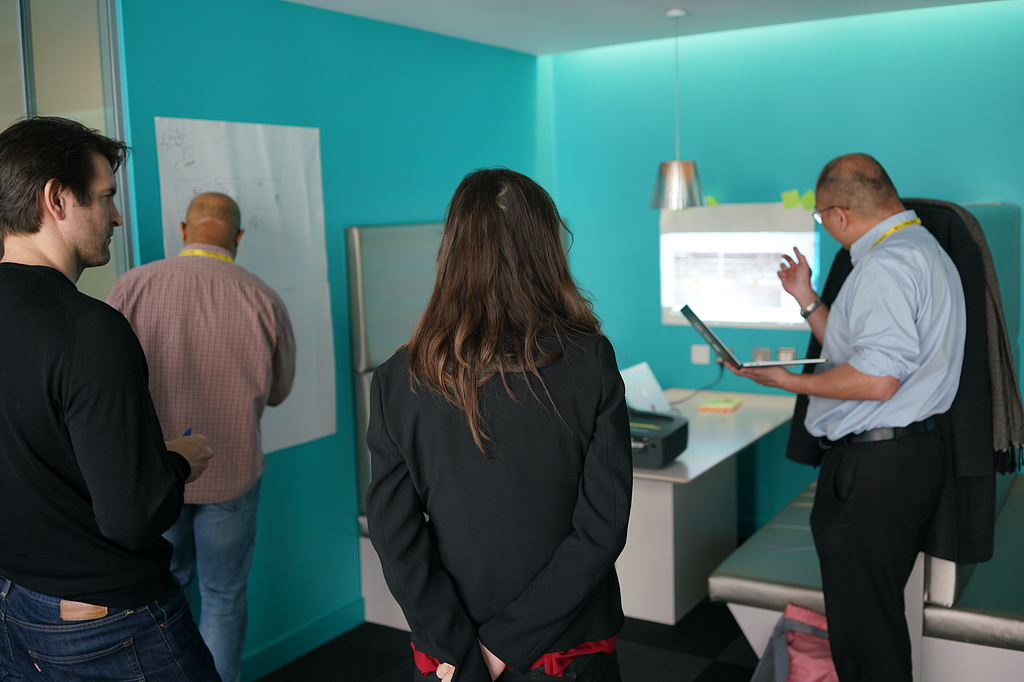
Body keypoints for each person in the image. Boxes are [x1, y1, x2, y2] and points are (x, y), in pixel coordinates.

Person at [365, 168, 632, 682]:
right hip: (566, 647)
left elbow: (393, 534)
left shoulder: (398, 378)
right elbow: (602, 527)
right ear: (546, 249)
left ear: (452, 250)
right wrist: (505, 644)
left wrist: (463, 649)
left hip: (452, 655)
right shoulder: (590, 359)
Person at [728, 154, 967, 681]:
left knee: (864, 634)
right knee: (872, 619)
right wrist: (807, 298)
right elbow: (860, 348)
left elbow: (878, 379)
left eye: (819, 218)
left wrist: (789, 381)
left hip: (876, 467)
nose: (824, 227)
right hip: (905, 459)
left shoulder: (885, 266)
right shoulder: (919, 248)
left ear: (839, 214)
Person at [0, 116, 219, 680]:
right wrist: (177, 462)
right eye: (105, 197)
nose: (116, 215)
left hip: (15, 606)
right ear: (56, 198)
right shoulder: (90, 329)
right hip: (109, 621)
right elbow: (133, 517)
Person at [107, 192, 296, 682]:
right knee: (224, 595)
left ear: (183, 229)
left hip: (153, 478)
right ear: (237, 238)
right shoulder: (264, 297)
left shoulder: (131, 286)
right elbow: (279, 391)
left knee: (163, 590)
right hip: (231, 474)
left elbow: (107, 390)